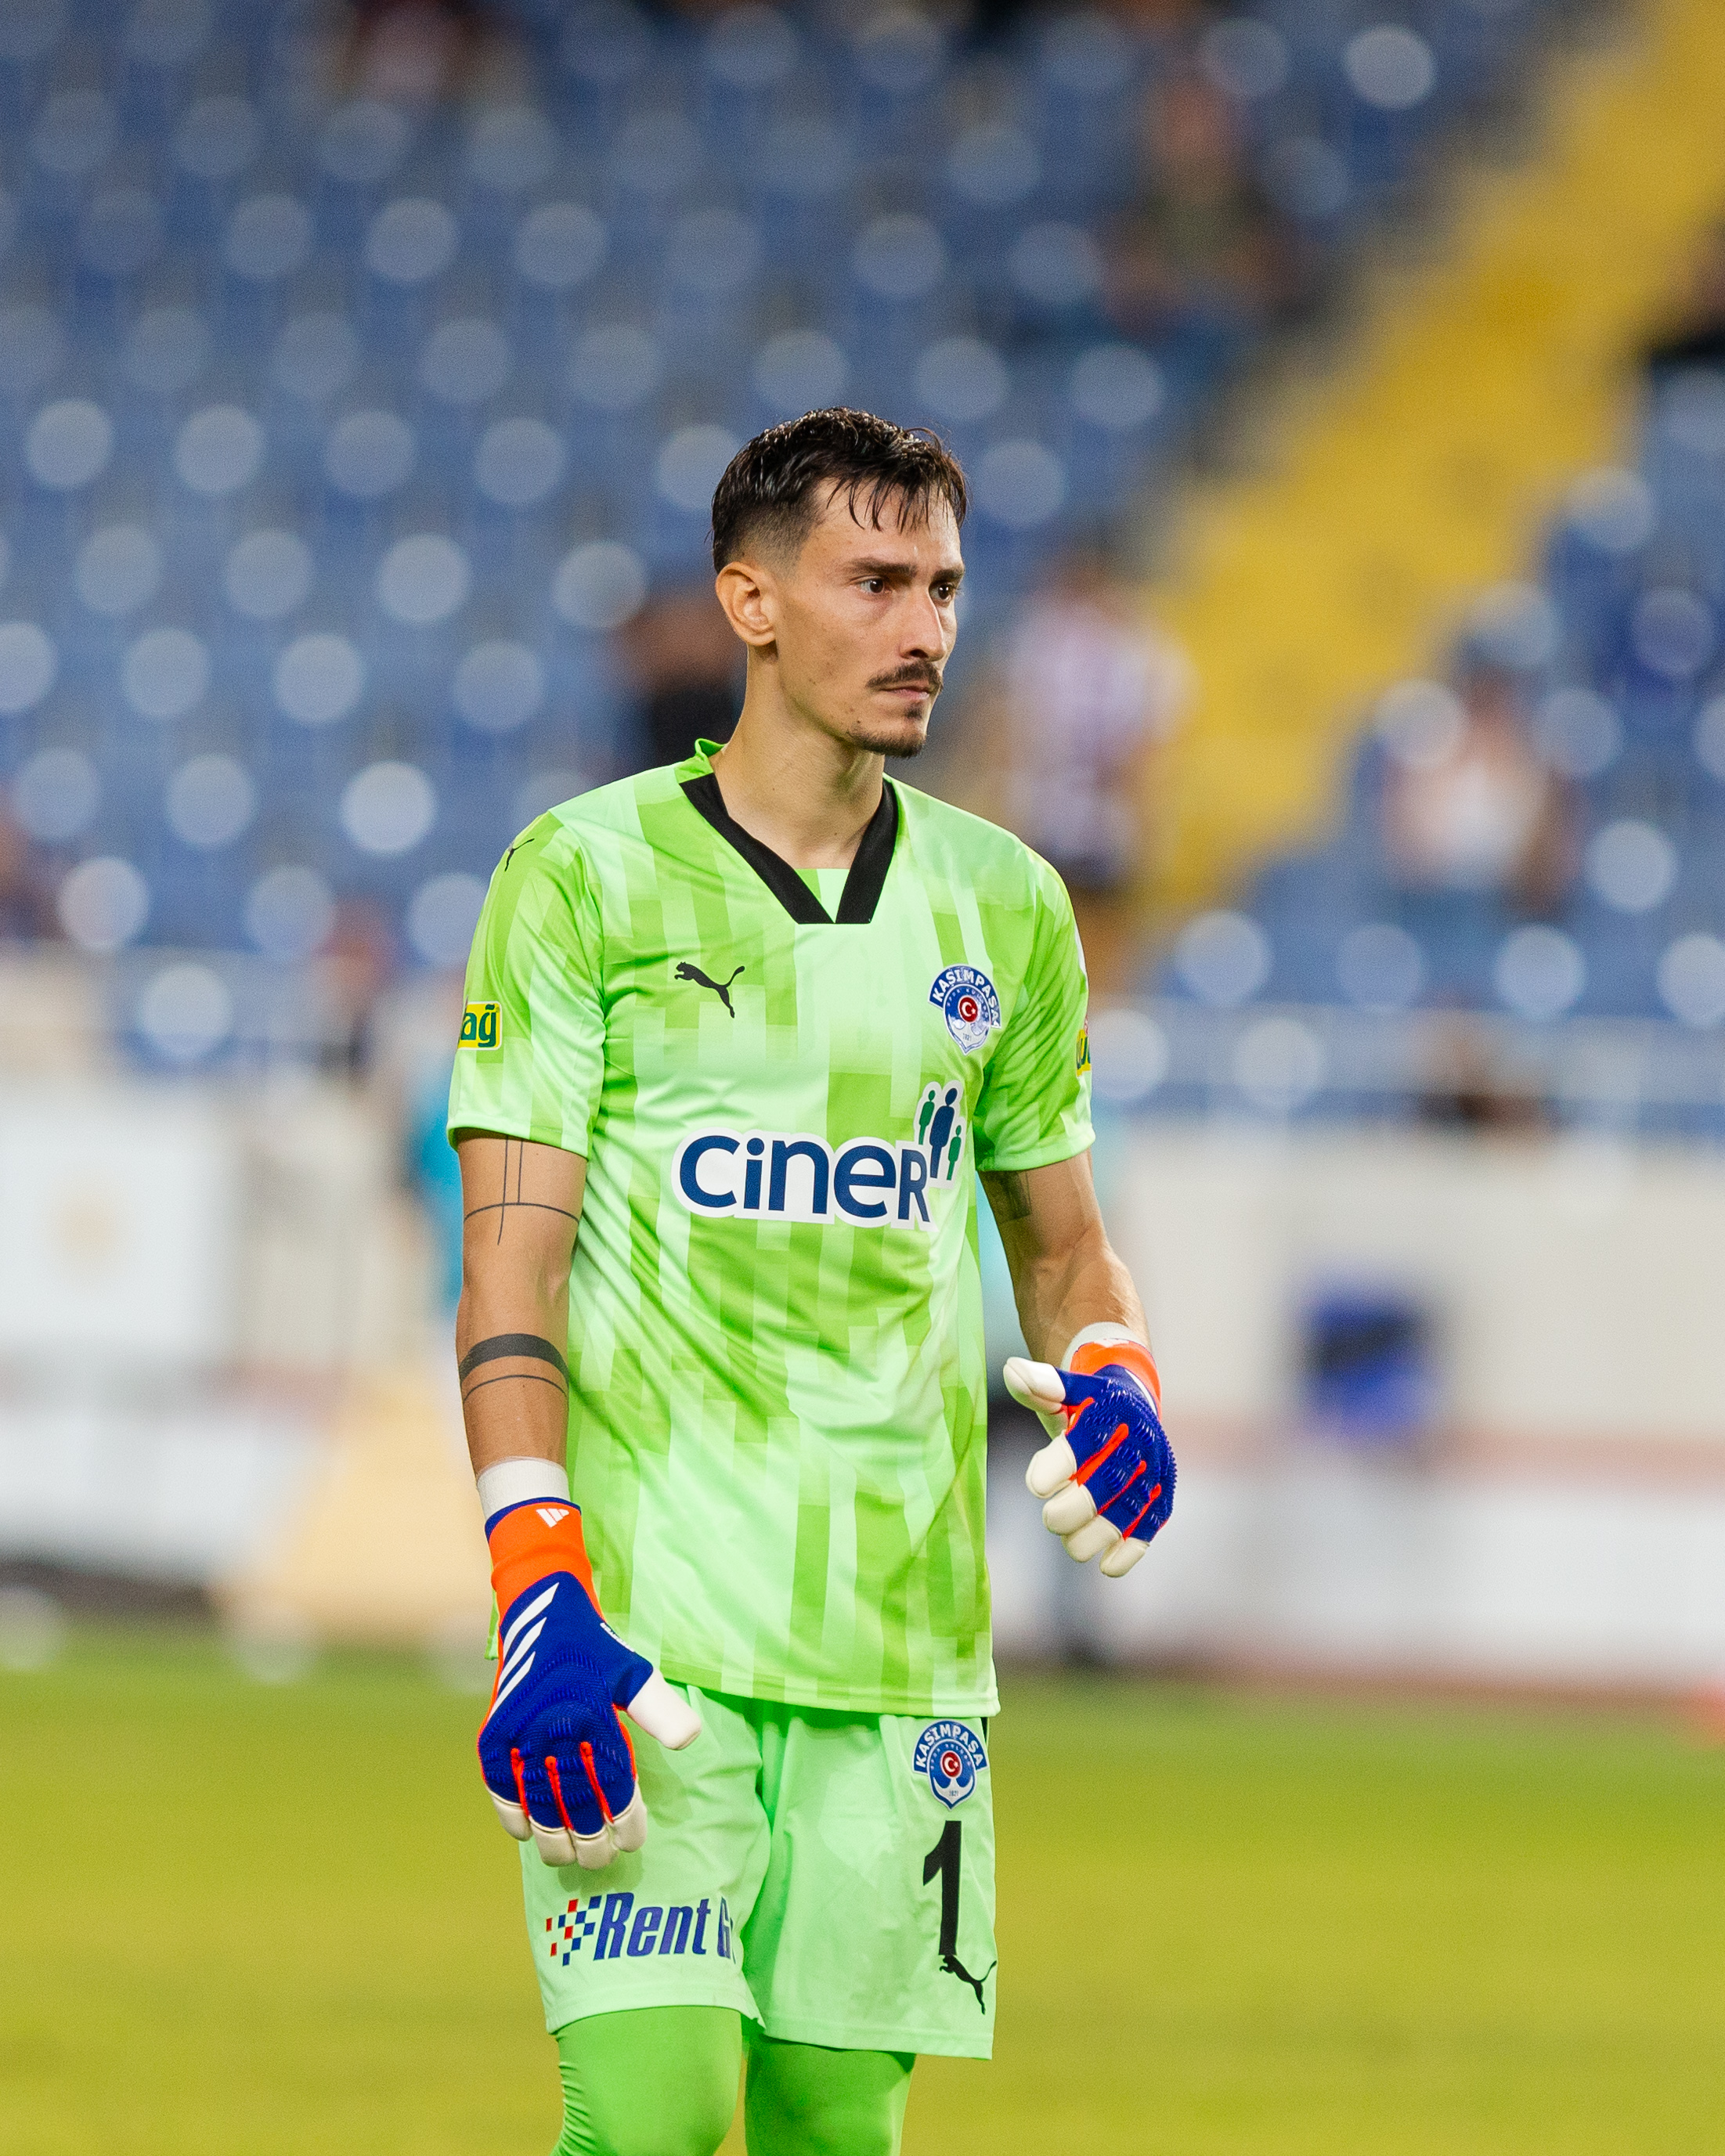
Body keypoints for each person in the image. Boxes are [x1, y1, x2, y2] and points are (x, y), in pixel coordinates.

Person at [447, 409, 1175, 2156]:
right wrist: (536, 1580)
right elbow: (507, 1267)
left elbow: (1061, 1244)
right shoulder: (584, 876)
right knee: (653, 2119)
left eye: (943, 587)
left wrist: (1120, 1371)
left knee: (835, 2137)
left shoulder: (1008, 908)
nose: (924, 629)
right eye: (874, 583)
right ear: (752, 603)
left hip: (900, 1653)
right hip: (645, 1638)